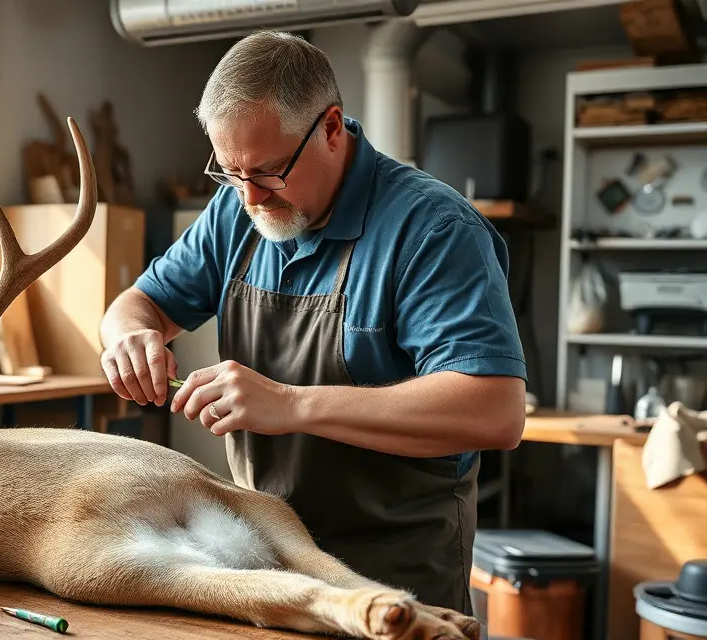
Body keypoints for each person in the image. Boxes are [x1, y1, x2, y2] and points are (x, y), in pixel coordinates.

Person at [97, 29, 527, 616]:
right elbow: (138, 303)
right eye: (230, 172)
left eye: (269, 171)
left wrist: (291, 404)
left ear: (330, 127)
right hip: (266, 562)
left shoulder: (434, 229)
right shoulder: (236, 211)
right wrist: (129, 337)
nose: (251, 198)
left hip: (393, 574)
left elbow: (495, 409)